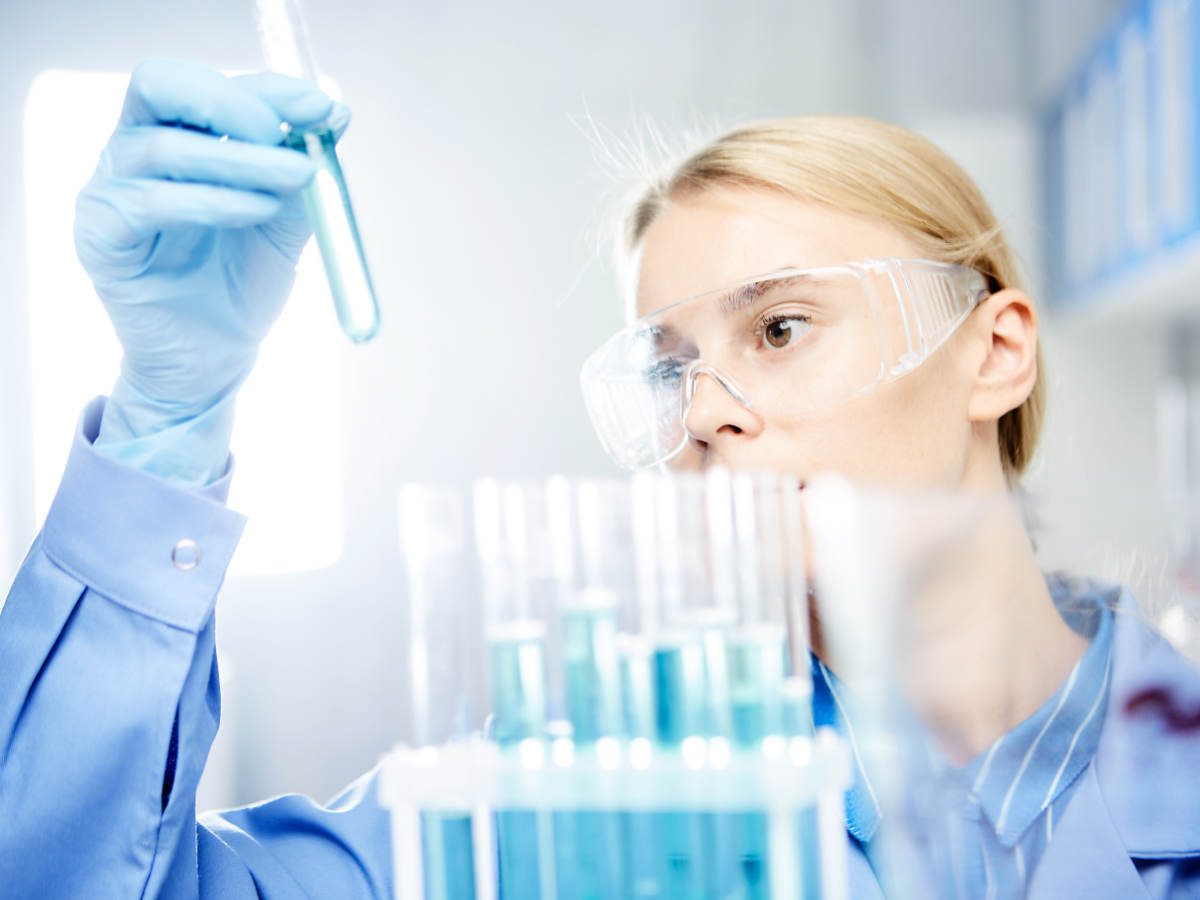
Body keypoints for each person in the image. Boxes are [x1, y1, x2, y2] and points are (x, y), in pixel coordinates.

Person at [0, 57, 1197, 899]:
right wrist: (167, 418)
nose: (707, 418)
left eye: (778, 329)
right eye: (668, 370)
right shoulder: (564, 797)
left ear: (994, 354)